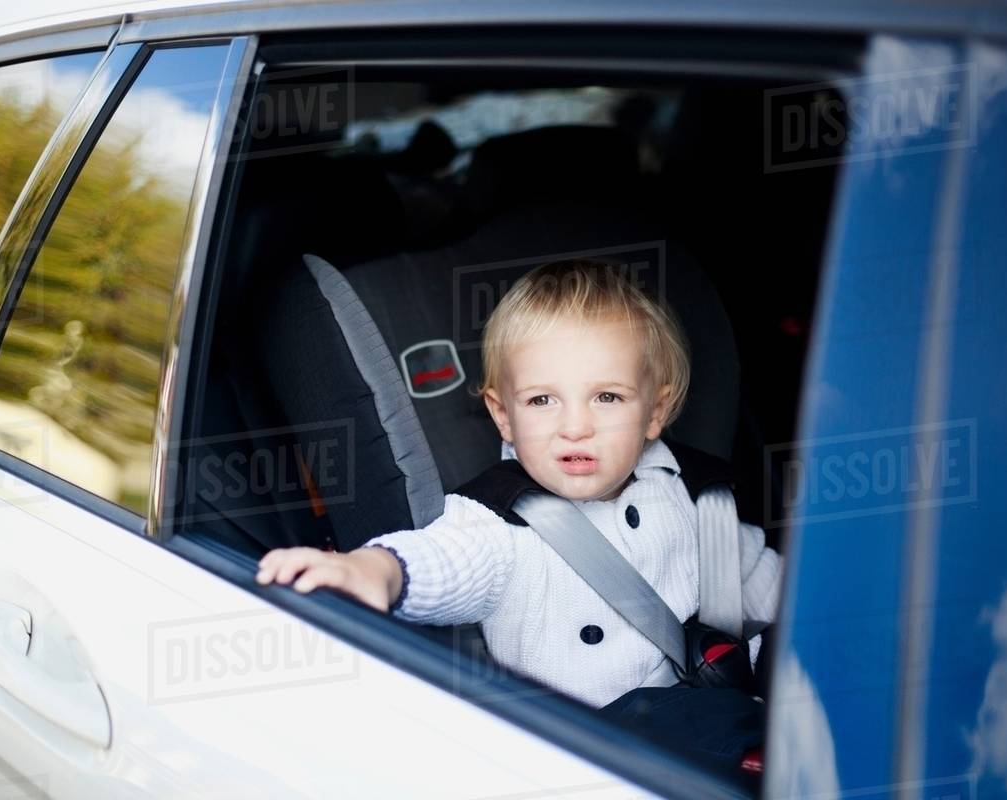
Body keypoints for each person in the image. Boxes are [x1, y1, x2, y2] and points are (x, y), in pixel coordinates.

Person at [255, 258, 782, 712]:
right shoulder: (500, 524)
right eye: (541, 401)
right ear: (502, 416)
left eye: (607, 398)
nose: (575, 426)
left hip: (732, 704)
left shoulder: (691, 490)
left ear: (656, 411)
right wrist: (371, 568)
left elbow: (758, 578)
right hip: (609, 749)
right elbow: (445, 558)